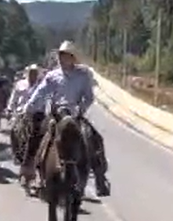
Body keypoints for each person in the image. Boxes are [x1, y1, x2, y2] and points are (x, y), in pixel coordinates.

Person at [17, 41, 106, 195]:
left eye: (65, 56)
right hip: (56, 114)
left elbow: (89, 97)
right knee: (37, 135)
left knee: (95, 138)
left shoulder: (83, 76)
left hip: (75, 114)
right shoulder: (52, 76)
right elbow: (40, 92)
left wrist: (81, 108)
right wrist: (29, 107)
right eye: (60, 55)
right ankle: (31, 171)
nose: (62, 58)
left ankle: (100, 179)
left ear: (72, 58)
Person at [8, 64, 42, 163]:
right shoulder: (20, 84)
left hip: (36, 113)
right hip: (21, 112)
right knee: (13, 130)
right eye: (31, 72)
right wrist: (10, 108)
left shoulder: (42, 85)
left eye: (35, 73)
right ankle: (16, 152)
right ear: (27, 73)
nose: (33, 75)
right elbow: (13, 97)